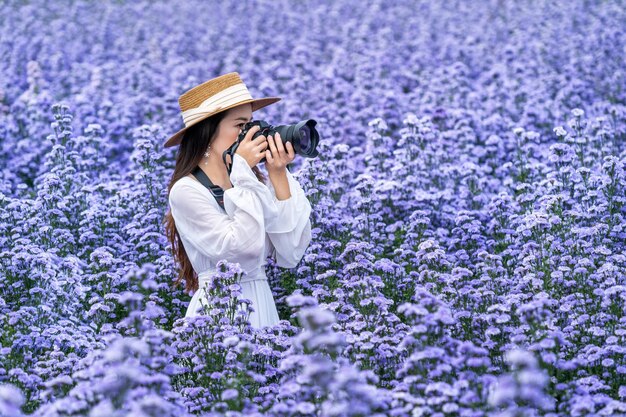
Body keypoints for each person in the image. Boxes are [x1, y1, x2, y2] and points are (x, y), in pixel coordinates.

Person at [163, 72, 312, 328]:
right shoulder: (186, 190)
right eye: (240, 126)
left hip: (261, 307)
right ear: (207, 133)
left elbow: (290, 253)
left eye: (252, 124)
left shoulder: (251, 184)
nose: (250, 134)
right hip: (219, 316)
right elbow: (244, 251)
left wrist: (277, 174)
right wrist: (243, 172)